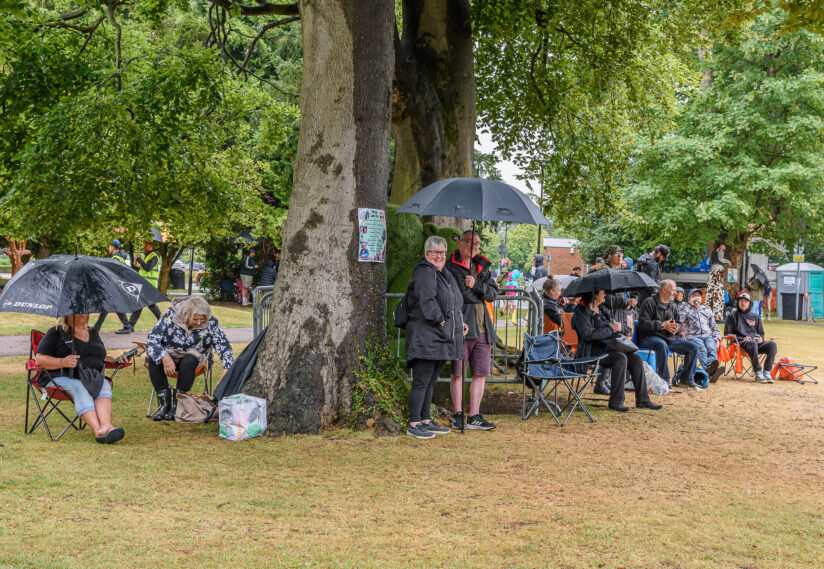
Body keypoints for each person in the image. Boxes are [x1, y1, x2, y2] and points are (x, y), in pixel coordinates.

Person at [404, 236, 467, 439]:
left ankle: (425, 419)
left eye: (442, 252)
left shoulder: (444, 274)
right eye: (435, 252)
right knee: (421, 381)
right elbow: (427, 300)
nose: (439, 256)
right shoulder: (424, 271)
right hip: (426, 335)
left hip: (442, 335)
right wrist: (440, 320)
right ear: (426, 254)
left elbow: (454, 301)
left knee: (431, 381)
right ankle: (414, 423)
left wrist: (458, 323)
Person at [34, 313, 132, 443]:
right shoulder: (56, 332)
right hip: (57, 378)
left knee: (103, 383)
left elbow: (99, 357)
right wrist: (62, 362)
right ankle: (99, 431)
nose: (83, 313)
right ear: (67, 314)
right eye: (78, 310)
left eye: (85, 310)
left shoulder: (93, 333)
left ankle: (107, 426)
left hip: (87, 376)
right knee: (79, 386)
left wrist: (116, 360)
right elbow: (39, 360)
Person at [146, 296, 235, 420]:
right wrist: (164, 357)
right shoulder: (170, 316)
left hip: (194, 361)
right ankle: (164, 405)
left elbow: (224, 347)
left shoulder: (211, 322)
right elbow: (152, 339)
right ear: (186, 314)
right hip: (170, 356)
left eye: (202, 319)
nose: (199, 323)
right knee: (153, 358)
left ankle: (178, 404)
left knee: (190, 359)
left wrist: (227, 368)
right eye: (196, 319)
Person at [572, 290, 662, 412]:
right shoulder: (581, 312)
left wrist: (619, 328)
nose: (605, 295)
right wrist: (610, 329)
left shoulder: (602, 309)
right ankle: (616, 401)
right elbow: (587, 335)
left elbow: (613, 326)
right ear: (594, 295)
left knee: (635, 358)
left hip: (608, 347)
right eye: (603, 292)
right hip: (591, 351)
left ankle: (643, 400)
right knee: (620, 358)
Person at [446, 229, 499, 431]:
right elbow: (457, 295)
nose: (473, 247)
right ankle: (457, 413)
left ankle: (474, 415)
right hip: (462, 326)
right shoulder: (451, 265)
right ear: (460, 242)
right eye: (469, 242)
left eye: (477, 244)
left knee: (480, 373)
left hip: (483, 327)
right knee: (458, 372)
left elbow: (493, 294)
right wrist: (477, 292)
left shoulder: (482, 266)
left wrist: (477, 285)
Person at [636, 280, 702, 389]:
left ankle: (686, 380)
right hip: (649, 338)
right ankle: (664, 381)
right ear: (664, 290)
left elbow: (679, 323)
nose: (675, 293)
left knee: (693, 347)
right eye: (673, 290)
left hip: (669, 338)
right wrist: (662, 326)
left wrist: (677, 328)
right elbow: (643, 323)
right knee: (661, 344)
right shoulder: (649, 302)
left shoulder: (672, 305)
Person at [724, 292, 777, 383]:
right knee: (751, 343)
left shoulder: (755, 317)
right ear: (738, 302)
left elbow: (761, 332)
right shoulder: (732, 316)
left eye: (745, 301)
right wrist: (742, 339)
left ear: (750, 303)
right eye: (741, 301)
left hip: (755, 343)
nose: (743, 303)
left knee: (772, 344)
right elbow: (728, 334)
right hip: (740, 344)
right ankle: (758, 372)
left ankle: (767, 372)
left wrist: (761, 338)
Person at [682, 289, 724, 382]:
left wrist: (717, 338)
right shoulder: (685, 308)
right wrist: (689, 304)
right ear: (689, 298)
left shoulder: (707, 309)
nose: (697, 297)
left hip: (708, 336)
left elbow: (714, 326)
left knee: (711, 347)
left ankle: (710, 372)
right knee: (702, 349)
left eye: (699, 295)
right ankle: (710, 371)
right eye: (694, 295)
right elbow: (680, 319)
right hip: (692, 337)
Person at [93, 239, 133, 335]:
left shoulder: (115, 258)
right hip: (118, 283)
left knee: (108, 305)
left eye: (109, 246)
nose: (109, 248)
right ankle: (127, 326)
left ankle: (96, 328)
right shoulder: (121, 257)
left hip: (114, 284)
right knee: (113, 305)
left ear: (112, 247)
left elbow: (111, 273)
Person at [128, 240, 163, 329]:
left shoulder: (154, 256)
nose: (144, 247)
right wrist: (136, 262)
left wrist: (139, 259)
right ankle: (130, 325)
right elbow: (141, 269)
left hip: (149, 285)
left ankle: (130, 325)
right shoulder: (146, 256)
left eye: (145, 245)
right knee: (146, 304)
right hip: (145, 285)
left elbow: (147, 268)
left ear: (150, 245)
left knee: (145, 304)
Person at [707, 243, 730, 321]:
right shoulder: (720, 250)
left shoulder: (715, 251)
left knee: (711, 290)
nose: (725, 248)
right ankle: (717, 315)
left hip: (713, 270)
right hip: (718, 270)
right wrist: (727, 261)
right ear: (721, 245)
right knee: (718, 291)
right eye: (724, 246)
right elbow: (721, 259)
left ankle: (709, 312)